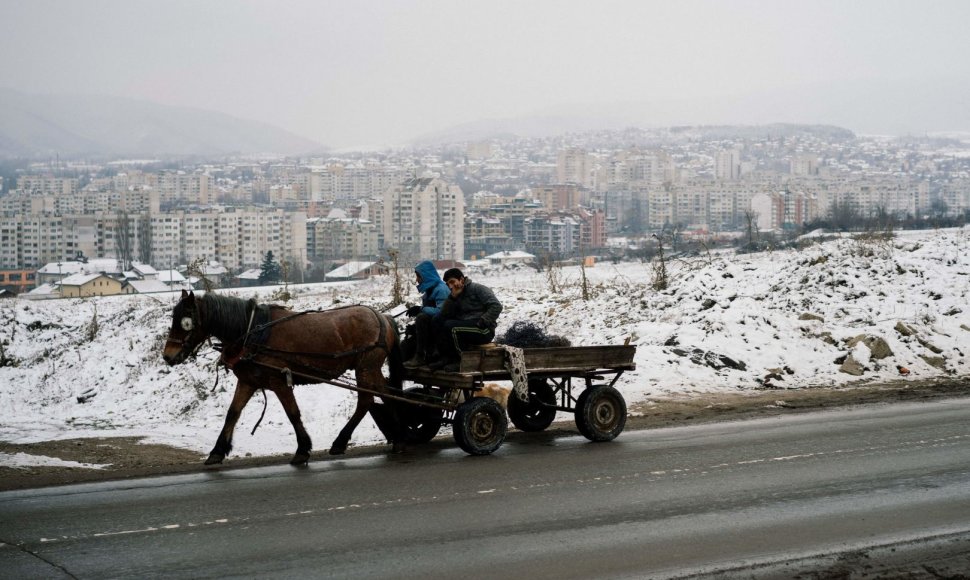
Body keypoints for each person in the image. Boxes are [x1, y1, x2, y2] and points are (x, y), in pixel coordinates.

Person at [428, 268, 503, 372]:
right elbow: (444, 313)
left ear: (461, 279)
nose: (450, 286)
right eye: (447, 284)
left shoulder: (478, 289)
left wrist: (483, 321)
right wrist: (453, 297)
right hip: (465, 325)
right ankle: (445, 358)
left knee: (452, 327)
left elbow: (496, 306)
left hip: (483, 329)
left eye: (452, 282)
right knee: (437, 320)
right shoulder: (455, 293)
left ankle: (461, 361)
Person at [402, 260, 450, 368]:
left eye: (418, 276)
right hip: (432, 326)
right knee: (404, 345)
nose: (417, 280)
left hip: (441, 328)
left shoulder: (441, 289)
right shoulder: (430, 290)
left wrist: (421, 309)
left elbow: (441, 312)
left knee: (422, 318)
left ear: (426, 276)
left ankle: (421, 356)